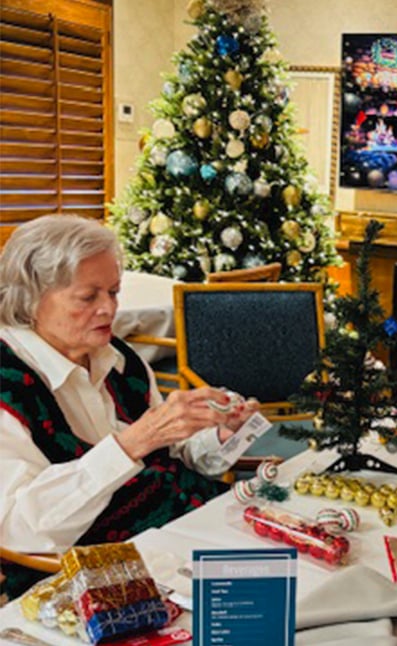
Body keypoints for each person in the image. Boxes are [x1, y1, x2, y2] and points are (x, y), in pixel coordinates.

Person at [0, 215, 260, 598]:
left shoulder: (119, 358)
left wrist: (225, 435)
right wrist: (131, 444)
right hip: (89, 575)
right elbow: (22, 527)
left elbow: (175, 456)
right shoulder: (8, 387)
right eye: (89, 297)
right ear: (30, 300)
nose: (109, 309)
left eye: (114, 292)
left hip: (175, 536)